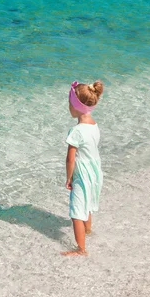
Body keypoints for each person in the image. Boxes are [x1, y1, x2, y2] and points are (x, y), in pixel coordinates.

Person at [62, 80, 104, 256]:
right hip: (95, 171)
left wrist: (69, 178)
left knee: (76, 212)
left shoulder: (76, 131)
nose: (69, 106)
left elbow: (70, 159)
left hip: (83, 173)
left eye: (70, 103)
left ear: (77, 106)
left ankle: (81, 249)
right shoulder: (94, 125)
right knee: (86, 204)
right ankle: (88, 230)